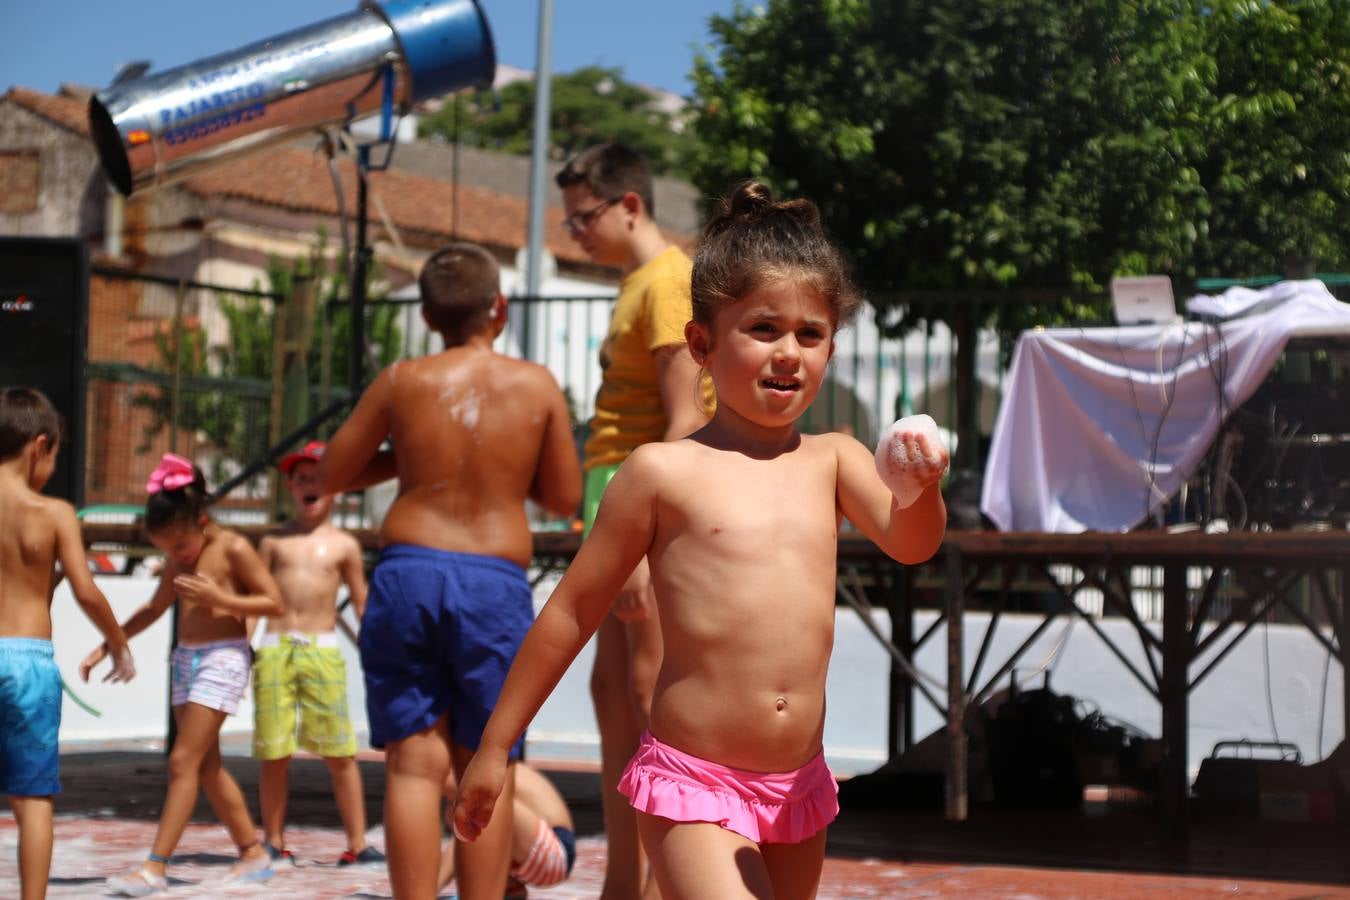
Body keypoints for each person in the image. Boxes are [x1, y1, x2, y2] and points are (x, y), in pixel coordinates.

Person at [452, 182, 949, 899]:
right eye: (764, 329)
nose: (789, 352)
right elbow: (569, 611)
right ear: (701, 343)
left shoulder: (835, 459)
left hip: (798, 783)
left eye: (810, 335)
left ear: (831, 349)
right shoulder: (662, 472)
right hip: (693, 779)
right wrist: (497, 746)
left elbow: (912, 545)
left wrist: (920, 489)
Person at [317, 242, 583, 899]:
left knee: (413, 766)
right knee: (485, 763)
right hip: (492, 578)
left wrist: (409, 456)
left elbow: (330, 473)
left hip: (409, 570)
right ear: (500, 307)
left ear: (430, 317)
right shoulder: (537, 385)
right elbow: (565, 498)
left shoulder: (403, 380)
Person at [555, 140, 708, 900]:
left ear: (630, 205)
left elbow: (685, 415)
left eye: (583, 218)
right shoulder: (636, 281)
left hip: (643, 501)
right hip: (612, 496)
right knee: (612, 695)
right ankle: (623, 884)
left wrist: (647, 543)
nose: (574, 233)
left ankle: (660, 887)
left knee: (649, 700)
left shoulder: (670, 283)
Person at [88, 453, 285, 896]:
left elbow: (274, 602)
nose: (174, 556)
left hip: (224, 658)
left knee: (182, 761)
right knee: (207, 767)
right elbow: (156, 607)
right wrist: (110, 642)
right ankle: (252, 853)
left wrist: (223, 598)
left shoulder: (232, 547)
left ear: (200, 518)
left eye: (178, 546)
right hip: (186, 660)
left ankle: (155, 866)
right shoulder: (181, 553)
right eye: (166, 550)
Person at [0, 387, 136, 900]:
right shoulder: (53, 512)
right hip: (28, 663)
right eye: (52, 458)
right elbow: (86, 590)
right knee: (33, 801)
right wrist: (118, 641)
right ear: (39, 446)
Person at [252, 439, 384, 867]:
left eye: (319, 478)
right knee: (274, 751)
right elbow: (255, 600)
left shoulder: (345, 545)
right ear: (290, 486)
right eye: (302, 478)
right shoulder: (273, 542)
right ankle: (273, 839)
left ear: (337, 488)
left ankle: (358, 843)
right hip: (275, 650)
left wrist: (379, 643)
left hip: (323, 653)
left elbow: (362, 601)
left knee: (340, 752)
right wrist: (243, 646)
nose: (310, 485)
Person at [437, 762, 577, 897]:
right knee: (469, 813)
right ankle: (509, 888)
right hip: (547, 853)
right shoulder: (492, 763)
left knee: (477, 808)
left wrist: (435, 884)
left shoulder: (481, 767)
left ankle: (433, 888)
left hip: (555, 851)